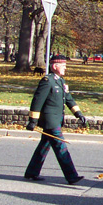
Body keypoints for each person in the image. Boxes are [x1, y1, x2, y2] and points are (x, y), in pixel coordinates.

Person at [24, 54, 87, 184]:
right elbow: (37, 101)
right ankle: (71, 176)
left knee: (44, 146)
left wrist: (78, 113)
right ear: (55, 66)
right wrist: (33, 121)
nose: (65, 68)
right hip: (50, 121)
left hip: (57, 120)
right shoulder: (47, 81)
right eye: (63, 66)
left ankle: (31, 172)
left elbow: (68, 99)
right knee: (61, 147)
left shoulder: (61, 81)